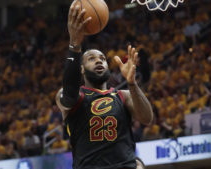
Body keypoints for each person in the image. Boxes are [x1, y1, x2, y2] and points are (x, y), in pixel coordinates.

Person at [55, 2, 153, 169]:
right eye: (91, 59)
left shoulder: (124, 95)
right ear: (81, 70)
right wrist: (75, 45)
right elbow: (70, 92)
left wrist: (132, 84)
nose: (99, 60)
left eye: (102, 58)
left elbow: (147, 118)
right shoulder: (72, 96)